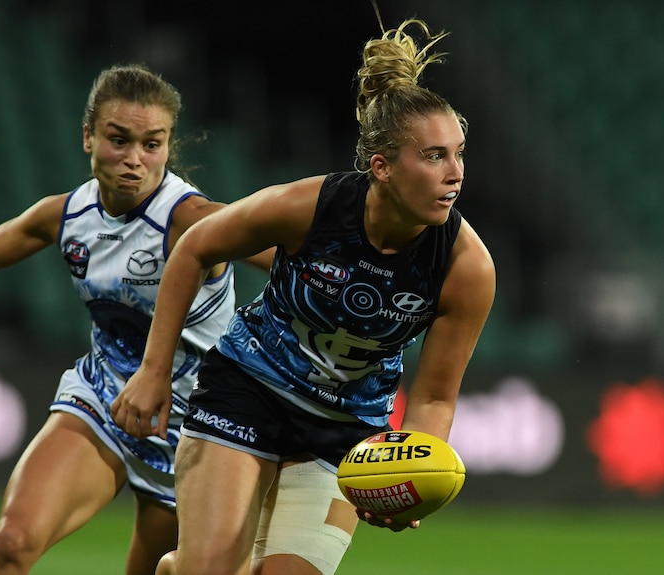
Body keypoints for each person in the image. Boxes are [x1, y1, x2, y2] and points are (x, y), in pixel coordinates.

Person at [111, 18, 496, 575]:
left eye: (459, 153)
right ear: (381, 168)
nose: (455, 173)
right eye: (434, 156)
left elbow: (435, 397)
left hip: (345, 432)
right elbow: (194, 246)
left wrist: (414, 471)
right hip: (246, 391)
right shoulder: (307, 207)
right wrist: (154, 369)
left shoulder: (466, 268)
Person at [0, 63, 272, 575]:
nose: (134, 160)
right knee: (11, 545)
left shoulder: (191, 219)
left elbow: (286, 251)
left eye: (152, 143)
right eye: (118, 140)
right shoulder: (66, 216)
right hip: (102, 399)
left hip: (195, 428)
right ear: (88, 136)